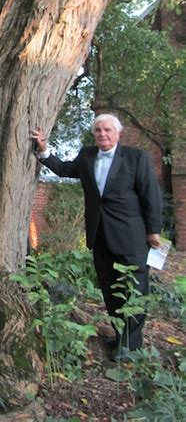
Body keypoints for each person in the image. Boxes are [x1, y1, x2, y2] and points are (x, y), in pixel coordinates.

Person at [32, 114, 162, 361]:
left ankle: (131, 346)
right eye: (98, 130)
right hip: (100, 236)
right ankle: (120, 334)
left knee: (133, 289)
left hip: (131, 238)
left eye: (107, 130)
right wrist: (43, 149)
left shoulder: (136, 158)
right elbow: (63, 169)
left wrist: (153, 230)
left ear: (118, 133)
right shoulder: (87, 155)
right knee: (111, 290)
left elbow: (151, 195)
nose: (103, 134)